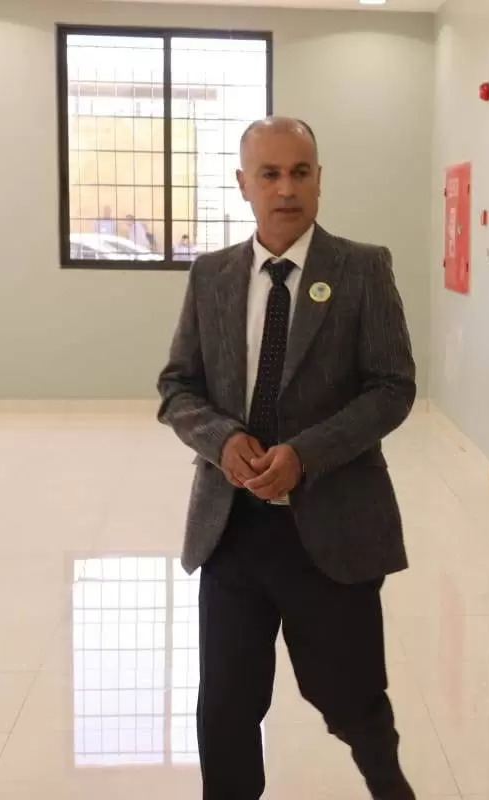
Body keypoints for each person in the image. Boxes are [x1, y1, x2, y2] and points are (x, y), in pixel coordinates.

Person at [156, 117, 417, 800]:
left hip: (331, 529)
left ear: (319, 180)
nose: (286, 189)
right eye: (269, 174)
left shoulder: (362, 269)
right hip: (231, 530)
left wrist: (306, 454)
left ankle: (390, 788)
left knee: (351, 702)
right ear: (243, 184)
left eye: (300, 172)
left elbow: (392, 388)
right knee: (225, 710)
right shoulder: (212, 276)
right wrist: (221, 439)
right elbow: (177, 386)